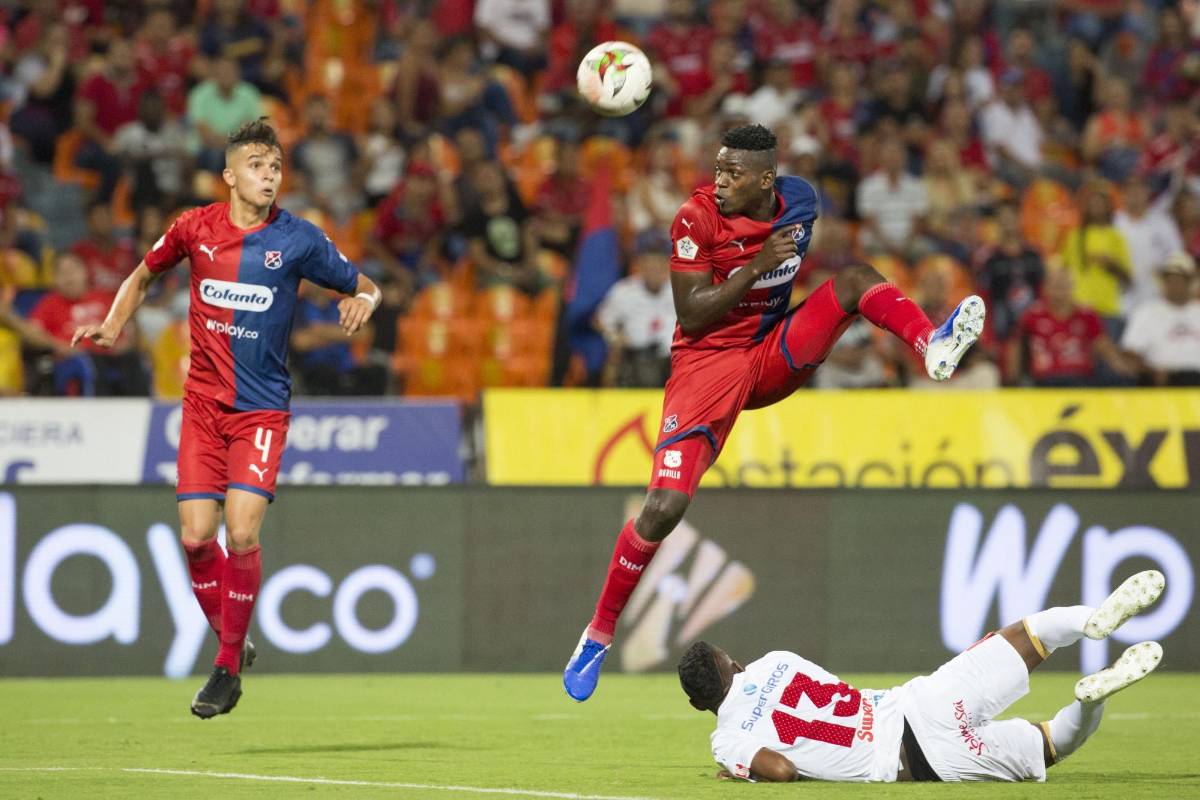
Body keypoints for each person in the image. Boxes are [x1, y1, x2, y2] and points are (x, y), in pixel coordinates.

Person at [563, 125, 986, 701]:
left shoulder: (802, 202)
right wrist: (757, 266)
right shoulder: (696, 217)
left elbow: (809, 263)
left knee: (857, 280)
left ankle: (930, 344)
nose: (719, 180)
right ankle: (598, 632)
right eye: (717, 168)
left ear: (766, 180)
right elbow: (690, 316)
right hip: (707, 364)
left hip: (769, 355)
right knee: (664, 505)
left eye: (733, 173)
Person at [71, 119, 381, 719]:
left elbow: (367, 284)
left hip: (261, 411)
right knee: (193, 537)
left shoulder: (299, 239)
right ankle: (234, 641)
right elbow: (142, 275)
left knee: (240, 533)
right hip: (202, 408)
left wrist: (360, 301)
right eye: (259, 166)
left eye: (277, 167)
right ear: (231, 175)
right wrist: (113, 324)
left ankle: (227, 665)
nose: (270, 175)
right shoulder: (193, 227)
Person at [680, 571, 1165, 783]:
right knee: (1027, 634)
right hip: (922, 703)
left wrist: (746, 771)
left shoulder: (727, 737)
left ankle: (1089, 698)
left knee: (1051, 745)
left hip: (923, 763)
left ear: (699, 705)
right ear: (735, 664)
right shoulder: (774, 661)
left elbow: (782, 770)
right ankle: (1091, 620)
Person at [1121, 252, 1200, 386]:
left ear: (1190, 282)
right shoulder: (1147, 312)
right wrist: (1151, 371)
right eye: (1171, 279)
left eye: (1180, 279)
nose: (1175, 284)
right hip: (1161, 380)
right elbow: (1129, 353)